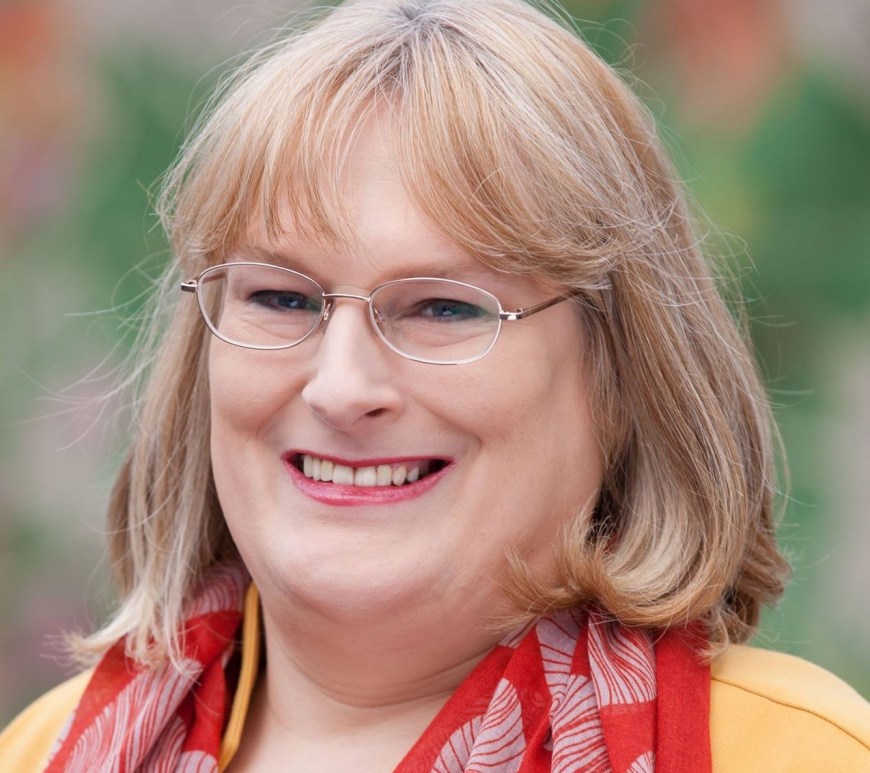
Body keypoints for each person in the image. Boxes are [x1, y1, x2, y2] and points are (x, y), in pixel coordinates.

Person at [2, 0, 869, 770]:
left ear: (617, 374)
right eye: (281, 297)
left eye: (444, 308)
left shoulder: (795, 756)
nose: (341, 387)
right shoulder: (42, 752)